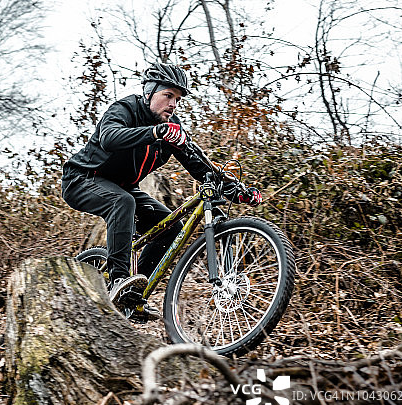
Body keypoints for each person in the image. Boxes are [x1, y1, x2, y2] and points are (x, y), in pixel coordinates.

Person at [61, 61, 260, 320]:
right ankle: (118, 280)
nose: (173, 104)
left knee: (171, 227)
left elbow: (199, 164)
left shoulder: (172, 127)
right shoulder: (126, 109)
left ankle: (133, 296)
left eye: (177, 99)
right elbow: (109, 137)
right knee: (122, 202)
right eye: (168, 95)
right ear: (149, 92)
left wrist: (236, 191)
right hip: (83, 179)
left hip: (123, 188)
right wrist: (155, 132)